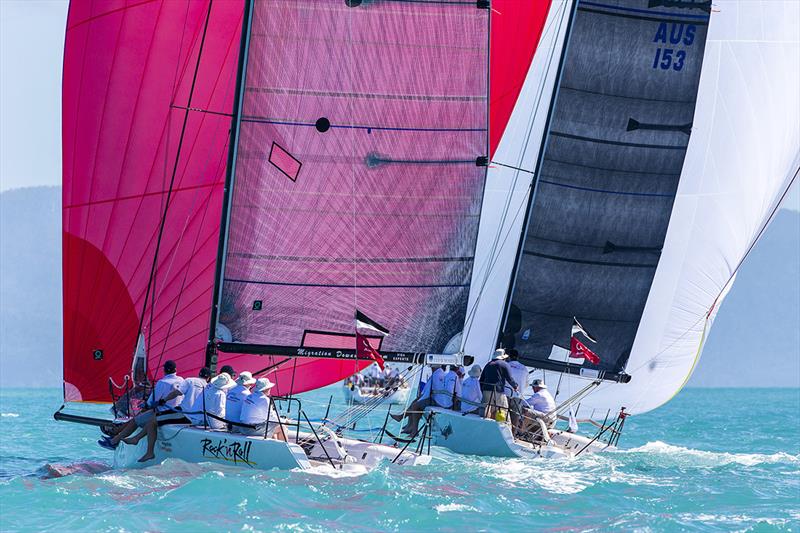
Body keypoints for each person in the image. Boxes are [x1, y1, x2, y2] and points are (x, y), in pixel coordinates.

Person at [99, 360, 187, 462]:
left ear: (164, 371)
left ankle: (114, 441)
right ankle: (115, 436)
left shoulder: (162, 382)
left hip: (161, 412)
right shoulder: (182, 380)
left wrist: (144, 405)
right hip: (176, 412)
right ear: (175, 370)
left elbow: (151, 402)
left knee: (135, 421)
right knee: (138, 419)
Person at [389, 365, 445, 437]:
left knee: (415, 405)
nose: (430, 367)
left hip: (436, 400)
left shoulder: (436, 374)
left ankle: (414, 430)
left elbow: (427, 392)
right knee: (415, 402)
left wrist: (420, 398)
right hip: (435, 398)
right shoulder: (438, 373)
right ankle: (409, 426)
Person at [479, 349, 518, 421]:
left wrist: (482, 391)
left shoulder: (488, 364)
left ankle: (483, 423)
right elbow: (510, 378)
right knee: (503, 410)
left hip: (486, 390)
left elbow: (481, 380)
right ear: (503, 357)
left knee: (485, 409)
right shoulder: (504, 364)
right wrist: (515, 386)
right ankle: (505, 427)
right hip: (499, 392)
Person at [504, 349, 529, 430]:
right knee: (515, 418)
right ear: (518, 357)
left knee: (503, 416)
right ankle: (512, 435)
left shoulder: (505, 365)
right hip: (518, 396)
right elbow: (526, 384)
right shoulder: (524, 368)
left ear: (508, 357)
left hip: (505, 395)